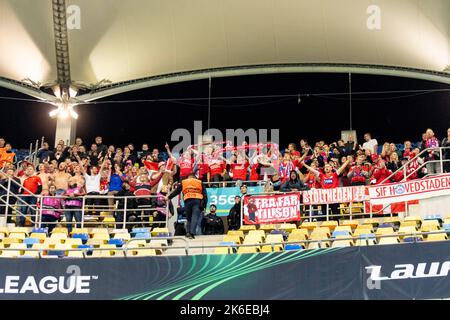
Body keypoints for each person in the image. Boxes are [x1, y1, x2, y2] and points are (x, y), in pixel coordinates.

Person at [167, 173, 207, 239]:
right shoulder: (199, 182)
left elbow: (177, 191)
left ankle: (188, 232)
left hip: (187, 201)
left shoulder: (184, 182)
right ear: (195, 177)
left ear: (188, 177)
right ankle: (191, 233)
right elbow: (205, 195)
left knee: (188, 218)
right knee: (195, 217)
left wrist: (168, 197)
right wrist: (204, 206)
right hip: (197, 201)